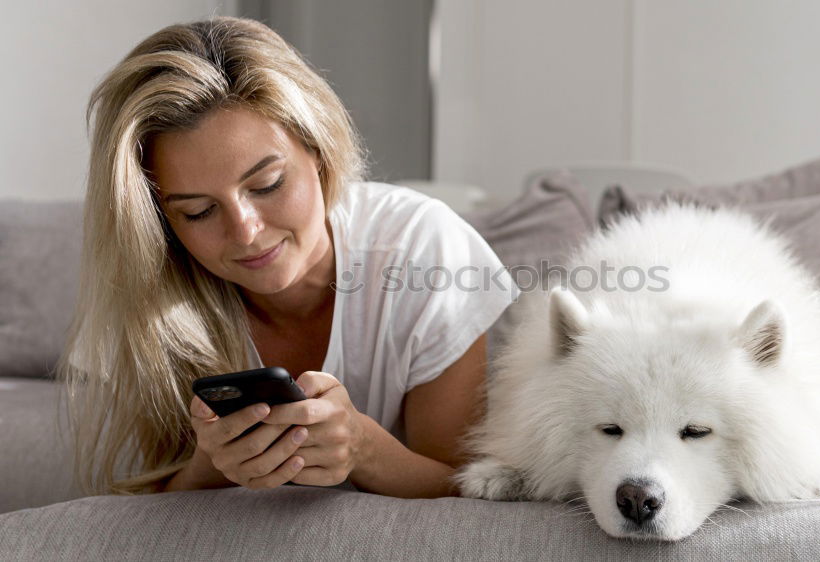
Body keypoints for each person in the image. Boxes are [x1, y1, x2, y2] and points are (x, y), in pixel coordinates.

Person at [56, 16, 517, 498]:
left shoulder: (424, 250)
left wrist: (363, 449)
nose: (246, 232)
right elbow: (146, 499)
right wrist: (211, 466)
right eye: (198, 211)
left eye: (267, 185)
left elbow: (469, 498)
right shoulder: (151, 289)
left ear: (317, 150)